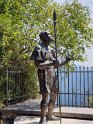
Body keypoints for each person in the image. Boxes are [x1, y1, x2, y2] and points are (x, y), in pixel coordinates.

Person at [30, 31, 70, 124]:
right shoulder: (38, 48)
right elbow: (38, 65)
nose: (50, 38)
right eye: (48, 36)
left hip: (52, 74)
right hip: (43, 74)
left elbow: (55, 65)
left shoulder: (51, 49)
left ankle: (50, 115)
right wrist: (52, 63)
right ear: (44, 38)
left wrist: (65, 61)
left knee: (54, 94)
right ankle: (42, 118)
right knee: (45, 96)